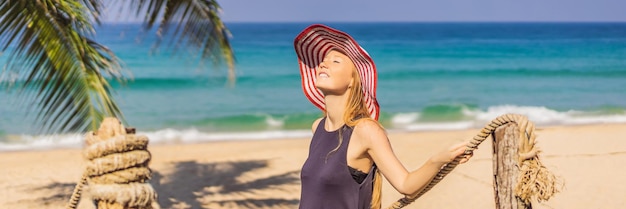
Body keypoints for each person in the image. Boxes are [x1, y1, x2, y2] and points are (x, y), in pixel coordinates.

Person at [294, 24, 473, 209]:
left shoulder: (366, 130)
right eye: (324, 60)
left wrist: (439, 160)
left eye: (335, 61)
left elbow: (406, 184)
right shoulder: (318, 127)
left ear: (353, 81)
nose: (323, 63)